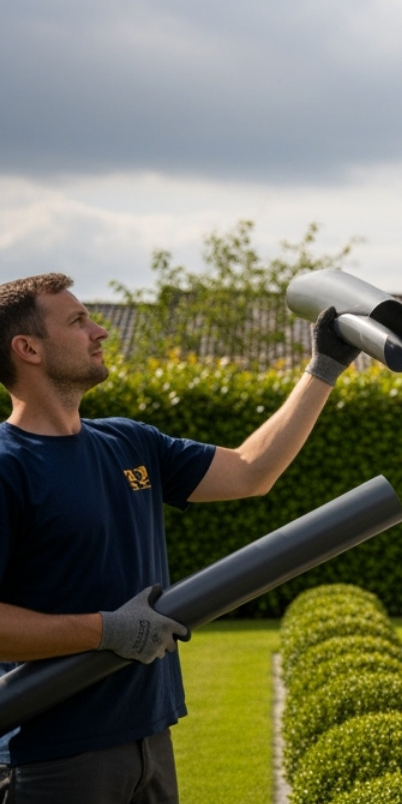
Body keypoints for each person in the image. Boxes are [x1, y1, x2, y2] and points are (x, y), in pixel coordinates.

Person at [0, 272, 360, 803]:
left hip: (150, 734)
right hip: (52, 755)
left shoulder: (130, 442)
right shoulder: (9, 467)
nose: (100, 331)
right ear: (27, 348)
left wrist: (323, 367)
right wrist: (106, 630)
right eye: (79, 321)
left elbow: (249, 471)